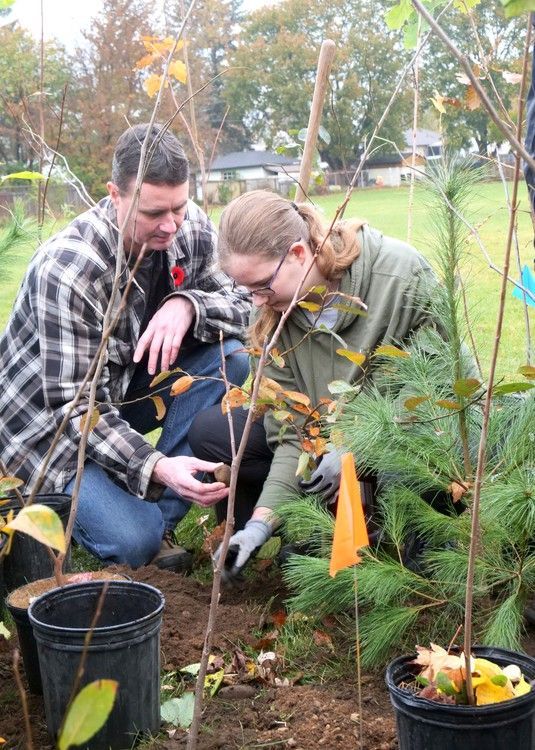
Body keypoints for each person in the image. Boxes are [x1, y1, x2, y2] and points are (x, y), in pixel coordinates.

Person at [0, 123, 250, 570]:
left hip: (121, 391)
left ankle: (161, 518)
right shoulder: (71, 270)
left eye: (179, 205)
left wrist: (189, 305)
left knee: (229, 358)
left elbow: (248, 304)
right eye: (153, 212)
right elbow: (75, 410)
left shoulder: (186, 227)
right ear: (114, 194)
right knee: (134, 542)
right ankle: (146, 522)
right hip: (46, 435)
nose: (170, 224)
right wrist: (155, 462)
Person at [188, 189, 438, 580]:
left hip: (408, 439)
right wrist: (259, 524)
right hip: (328, 449)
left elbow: (434, 390)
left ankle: (416, 535)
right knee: (213, 431)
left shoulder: (399, 277)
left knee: (411, 545)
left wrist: (355, 446)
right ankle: (309, 525)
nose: (255, 302)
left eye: (261, 286)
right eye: (246, 290)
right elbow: (291, 435)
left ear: (298, 255)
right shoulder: (276, 319)